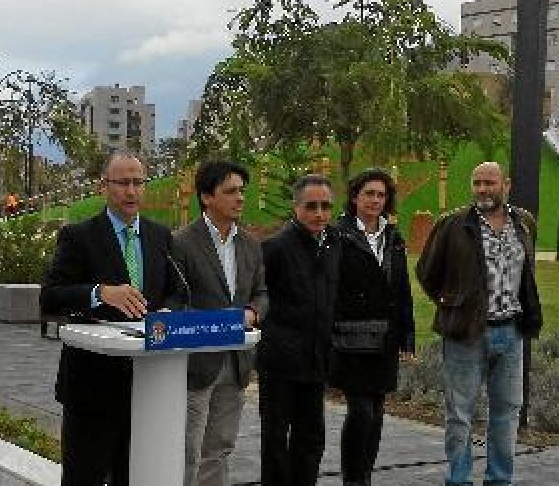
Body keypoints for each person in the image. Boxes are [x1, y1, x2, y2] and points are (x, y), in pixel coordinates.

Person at [40, 150, 186, 486]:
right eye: (122, 183)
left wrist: (169, 312)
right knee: (84, 477)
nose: (131, 191)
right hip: (92, 386)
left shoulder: (160, 237)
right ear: (103, 186)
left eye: (138, 182)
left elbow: (179, 292)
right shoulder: (79, 236)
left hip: (150, 385)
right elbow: (50, 297)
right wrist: (99, 293)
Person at [416, 161, 543, 486]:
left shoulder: (524, 223)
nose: (483, 189)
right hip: (466, 334)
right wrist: (451, 301)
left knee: (507, 412)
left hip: (512, 333)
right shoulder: (453, 225)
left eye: (489, 182)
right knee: (460, 415)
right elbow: (426, 272)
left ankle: (499, 479)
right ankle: (458, 480)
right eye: (477, 183)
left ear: (506, 185)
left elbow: (526, 272)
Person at [172, 160, 267, 486]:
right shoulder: (182, 242)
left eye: (242, 190)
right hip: (196, 364)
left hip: (236, 360)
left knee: (220, 448)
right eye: (230, 191)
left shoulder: (251, 244)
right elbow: (173, 301)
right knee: (187, 449)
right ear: (206, 197)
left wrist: (253, 313)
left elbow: (261, 294)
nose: (240, 198)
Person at [329, 168, 415, 486]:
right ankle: (353, 478)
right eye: (369, 194)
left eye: (381, 195)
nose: (375, 200)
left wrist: (408, 336)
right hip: (352, 337)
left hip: (386, 337)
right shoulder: (338, 235)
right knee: (361, 411)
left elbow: (402, 288)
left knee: (378, 413)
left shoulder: (393, 238)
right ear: (355, 197)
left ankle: (365, 475)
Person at [256, 174, 341, 486]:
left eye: (326, 206)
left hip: (315, 360)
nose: (319, 213)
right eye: (312, 206)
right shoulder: (275, 248)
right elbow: (259, 296)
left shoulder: (334, 244)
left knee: (311, 439)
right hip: (280, 362)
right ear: (296, 207)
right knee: (276, 441)